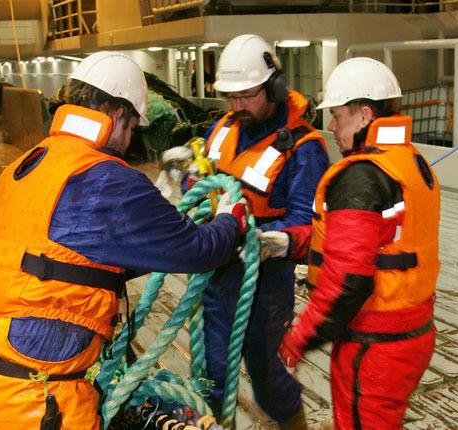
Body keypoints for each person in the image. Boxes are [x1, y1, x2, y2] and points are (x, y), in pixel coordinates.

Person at [0, 51, 247, 429]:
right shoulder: (107, 179)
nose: (129, 142)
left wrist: (173, 221)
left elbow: (74, 260)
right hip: (36, 403)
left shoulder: (27, 167)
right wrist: (228, 221)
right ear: (118, 116)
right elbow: (199, 249)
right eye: (132, 128)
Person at [263, 57, 440, 429]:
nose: (332, 126)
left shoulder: (360, 177)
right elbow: (365, 240)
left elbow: (347, 282)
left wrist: (298, 337)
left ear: (363, 115)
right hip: (413, 334)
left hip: (375, 344)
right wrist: (286, 241)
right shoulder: (409, 161)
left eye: (338, 116)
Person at [192, 34, 329, 429]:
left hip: (265, 281)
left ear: (273, 87)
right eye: (230, 98)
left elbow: (309, 222)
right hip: (217, 273)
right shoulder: (221, 129)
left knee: (268, 374)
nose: (236, 107)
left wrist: (270, 240)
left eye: (247, 96)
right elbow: (202, 178)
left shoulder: (304, 148)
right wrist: (187, 179)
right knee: (212, 373)